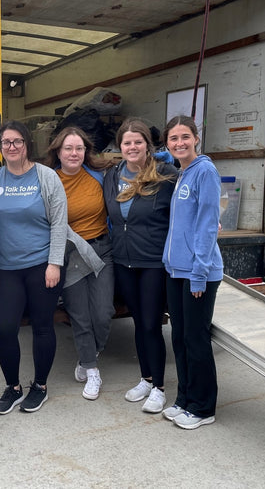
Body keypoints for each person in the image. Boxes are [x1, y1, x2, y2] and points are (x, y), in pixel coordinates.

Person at [0, 120, 67, 414]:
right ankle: (13, 387)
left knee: (43, 326)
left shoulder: (46, 177)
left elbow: (59, 222)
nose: (12, 147)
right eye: (6, 142)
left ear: (27, 144)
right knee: (4, 328)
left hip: (42, 266)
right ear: (1, 147)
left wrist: (55, 263)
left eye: (17, 141)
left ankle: (40, 386)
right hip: (7, 269)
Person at [103, 118, 178, 413]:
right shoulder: (113, 175)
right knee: (137, 322)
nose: (132, 147)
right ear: (119, 147)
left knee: (151, 323)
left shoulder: (166, 174)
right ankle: (146, 378)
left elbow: (185, 209)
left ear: (148, 145)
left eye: (138, 142)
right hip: (123, 260)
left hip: (153, 262)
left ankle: (159, 387)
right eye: (126, 142)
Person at [161, 115, 223, 430]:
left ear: (196, 138)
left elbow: (208, 224)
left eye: (185, 137)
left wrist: (199, 272)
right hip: (176, 270)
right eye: (173, 139)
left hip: (199, 272)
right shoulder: (182, 173)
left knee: (196, 339)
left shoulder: (205, 172)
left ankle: (203, 407)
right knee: (181, 338)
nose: (180, 143)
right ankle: (184, 399)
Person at [45, 127, 115, 401]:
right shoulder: (50, 180)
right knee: (80, 316)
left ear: (86, 152)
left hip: (101, 251)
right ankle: (92, 368)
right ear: (58, 152)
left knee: (103, 312)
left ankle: (89, 352)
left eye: (79, 148)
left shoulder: (99, 177)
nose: (74, 153)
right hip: (70, 254)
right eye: (68, 148)